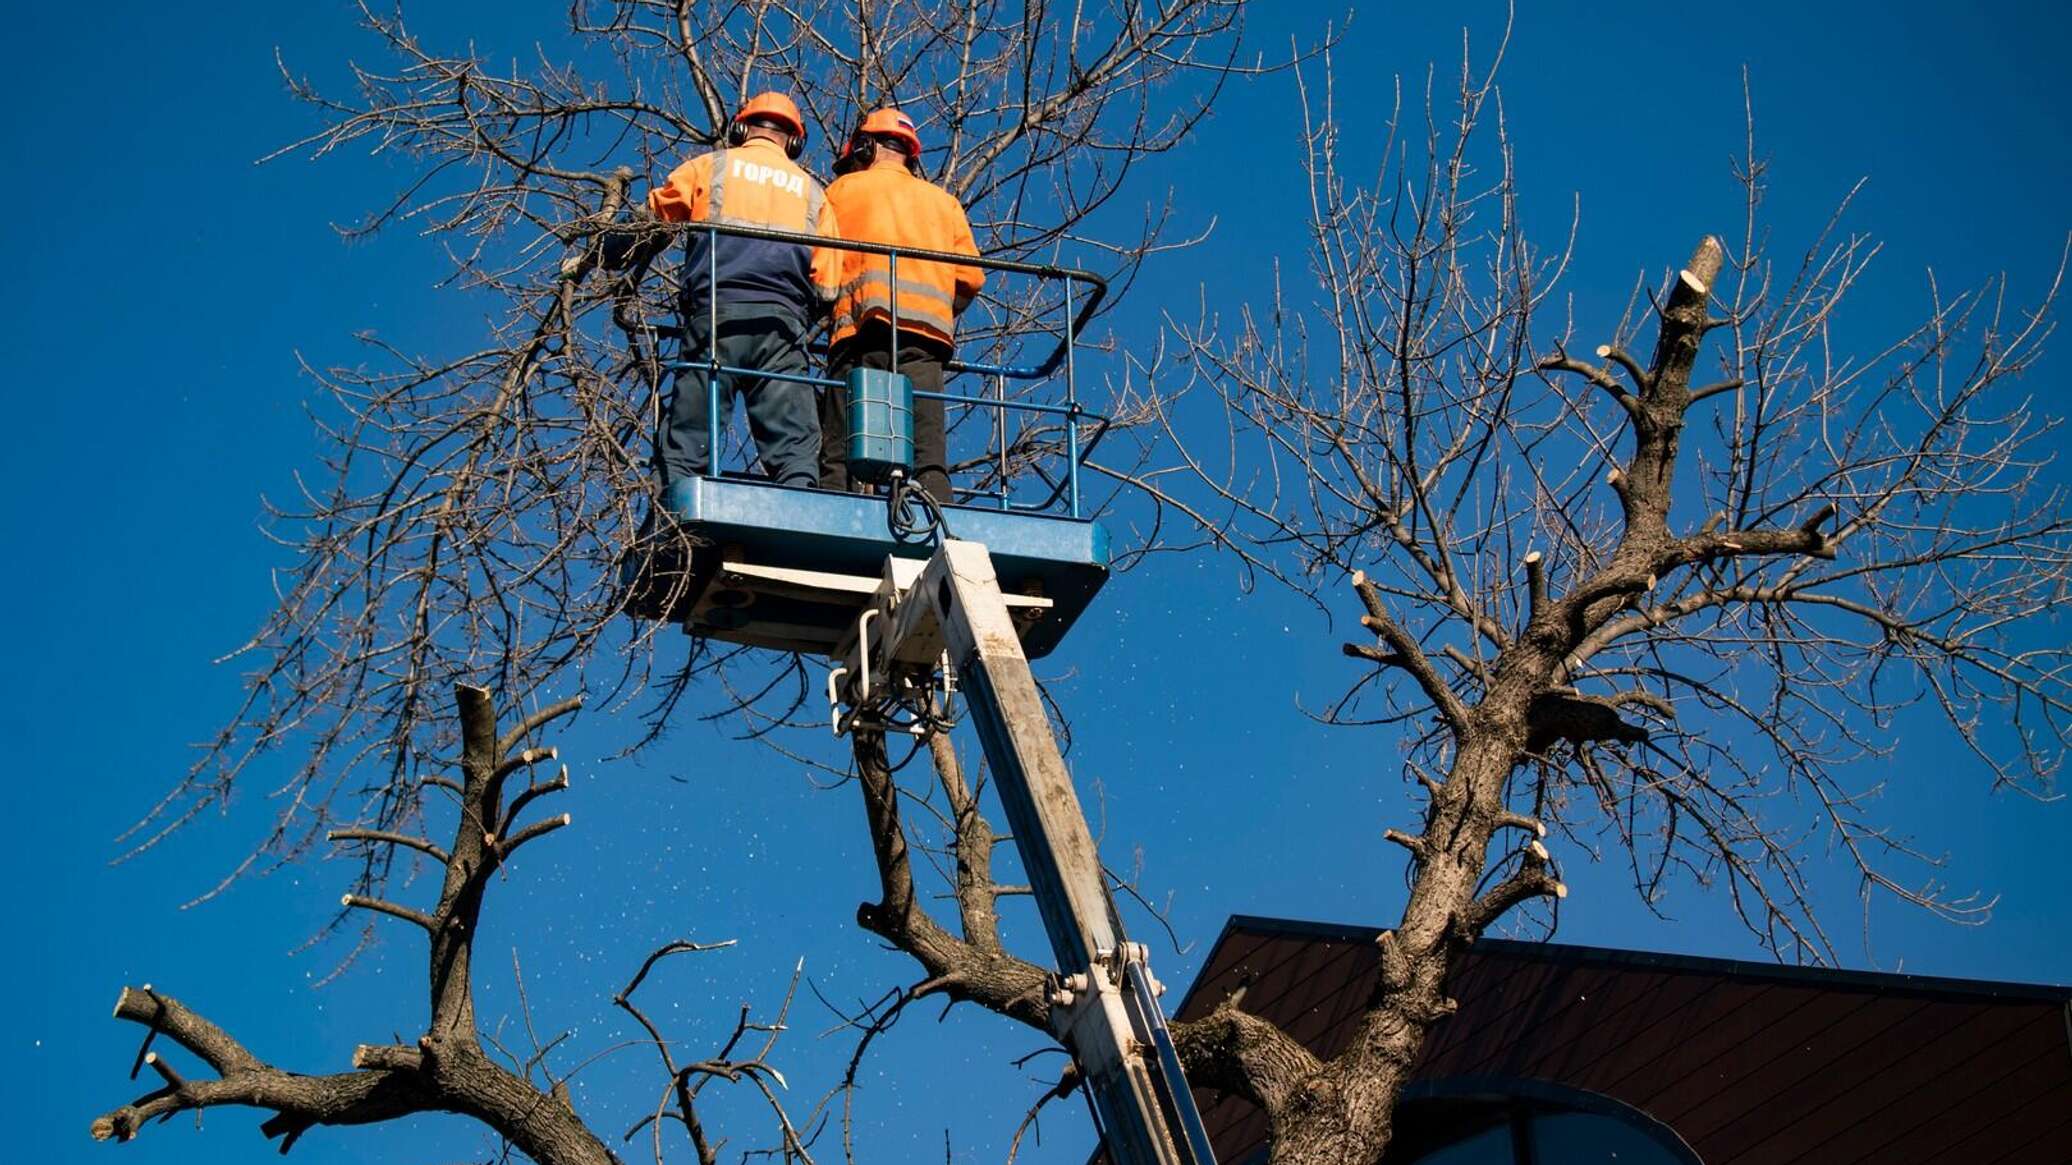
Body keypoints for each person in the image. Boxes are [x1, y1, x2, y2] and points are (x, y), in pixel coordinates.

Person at [641, 93, 842, 500]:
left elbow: (652, 221)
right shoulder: (815, 193)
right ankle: (800, 510)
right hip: (780, 327)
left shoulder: (709, 167)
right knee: (794, 447)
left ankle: (674, 522)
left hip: (714, 316)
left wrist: (605, 252)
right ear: (794, 141)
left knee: (690, 434)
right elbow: (828, 284)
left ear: (740, 127)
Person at [818, 108, 984, 504]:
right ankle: (934, 510)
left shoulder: (840, 192)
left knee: (841, 447)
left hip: (860, 334)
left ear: (864, 146)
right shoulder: (945, 204)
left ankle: (837, 505)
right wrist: (941, 305)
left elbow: (818, 264)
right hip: (926, 339)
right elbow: (973, 278)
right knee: (927, 452)